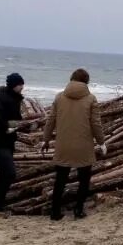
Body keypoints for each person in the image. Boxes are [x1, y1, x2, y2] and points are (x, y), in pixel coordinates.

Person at [42, 68, 106, 220]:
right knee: (84, 180)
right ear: (86, 81)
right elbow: (96, 124)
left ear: (71, 79)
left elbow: (51, 120)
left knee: (60, 180)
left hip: (63, 145)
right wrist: (101, 142)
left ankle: (55, 212)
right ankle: (78, 210)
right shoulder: (91, 99)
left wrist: (45, 139)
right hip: (83, 146)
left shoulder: (59, 97)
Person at [0, 72, 26, 213]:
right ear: (14, 85)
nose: (22, 87)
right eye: (20, 85)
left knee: (3, 173)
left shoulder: (14, 98)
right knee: (9, 173)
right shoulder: (2, 98)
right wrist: (7, 128)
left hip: (7, 141)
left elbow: (15, 119)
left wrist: (16, 127)